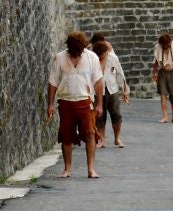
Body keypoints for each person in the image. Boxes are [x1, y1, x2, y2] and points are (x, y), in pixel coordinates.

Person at [47, 32, 103, 179]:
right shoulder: (60, 58)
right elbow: (52, 83)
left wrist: (99, 105)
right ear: (69, 47)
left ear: (83, 48)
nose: (76, 53)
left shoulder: (92, 58)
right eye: (73, 50)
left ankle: (91, 169)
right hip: (65, 102)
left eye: (79, 50)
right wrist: (50, 104)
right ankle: (67, 169)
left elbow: (98, 82)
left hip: (85, 102)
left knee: (90, 134)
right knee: (66, 136)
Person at [92, 40, 129, 148]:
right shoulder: (93, 59)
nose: (101, 57)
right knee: (99, 117)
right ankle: (102, 140)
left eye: (102, 55)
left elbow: (120, 75)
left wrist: (125, 90)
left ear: (106, 52)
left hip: (112, 90)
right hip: (97, 91)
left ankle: (117, 138)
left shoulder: (113, 58)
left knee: (116, 115)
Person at [152, 33, 173, 123]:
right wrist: (155, 72)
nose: (164, 46)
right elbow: (155, 60)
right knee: (163, 95)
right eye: (163, 45)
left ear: (169, 43)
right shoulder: (158, 47)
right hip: (162, 73)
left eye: (166, 44)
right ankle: (165, 117)